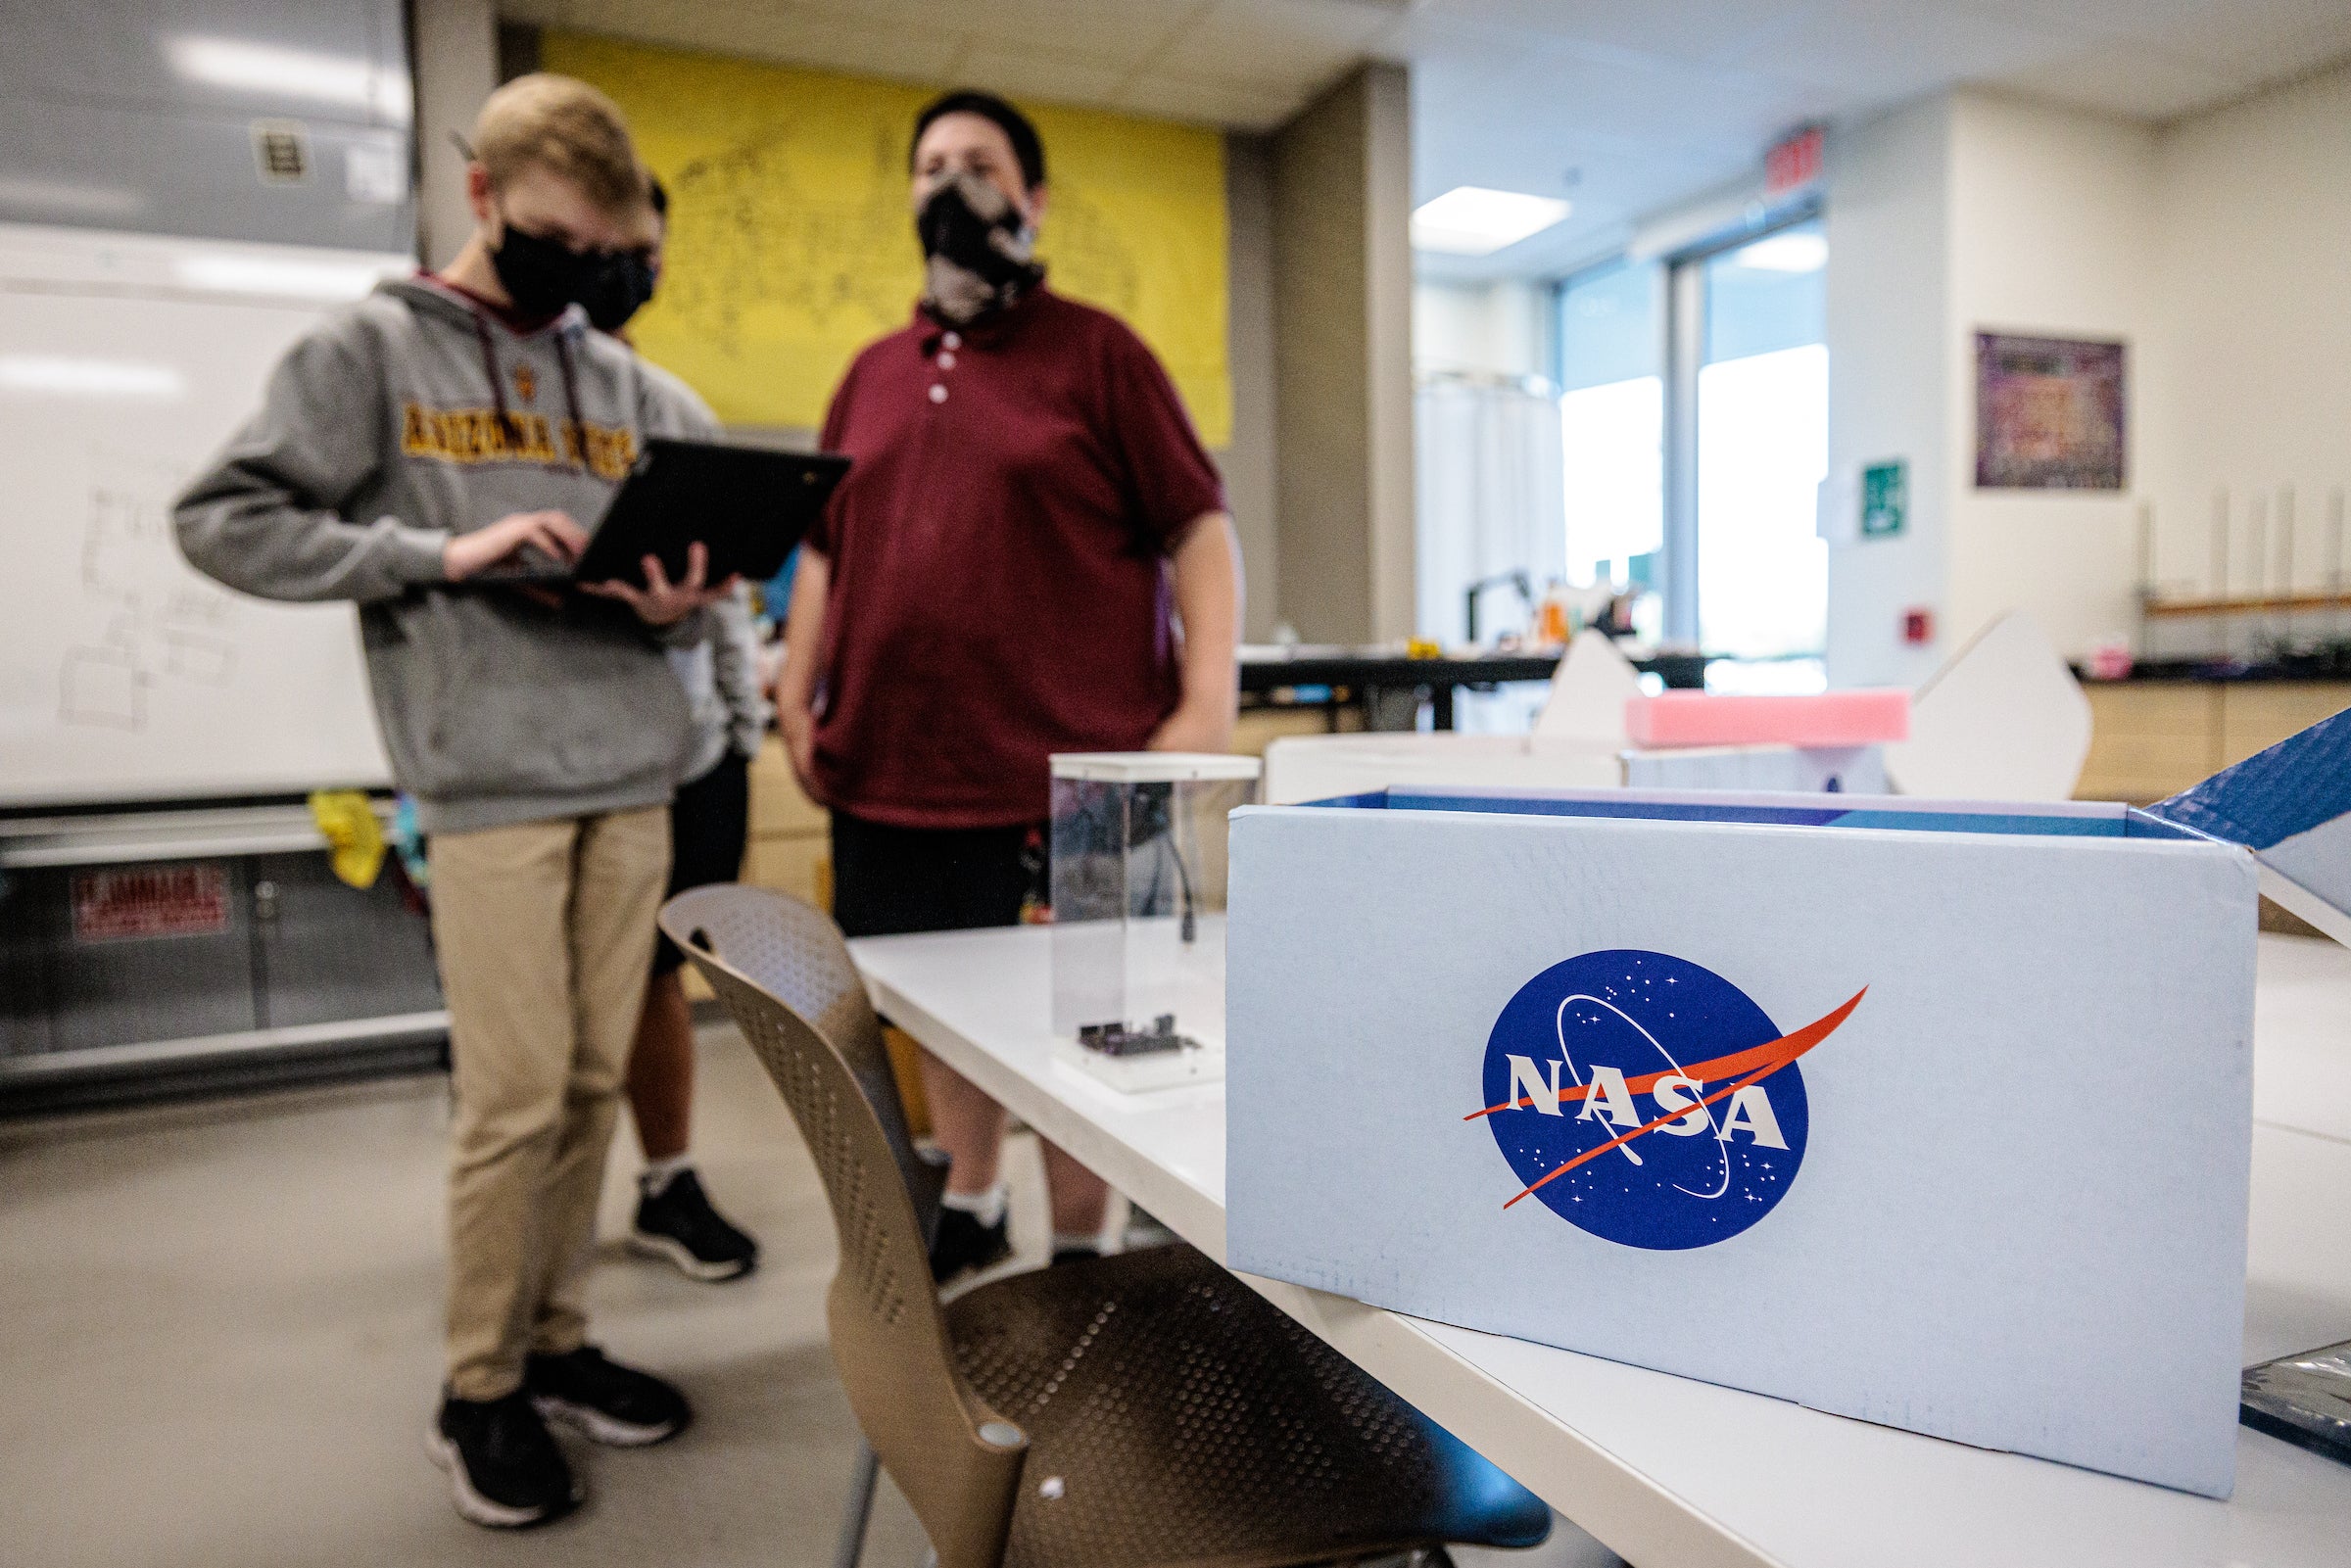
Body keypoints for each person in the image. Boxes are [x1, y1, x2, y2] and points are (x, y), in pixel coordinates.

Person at [175, 74, 736, 1530]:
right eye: (556, 238)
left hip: (635, 770)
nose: (583, 274)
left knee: (598, 1084)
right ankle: (476, 1384)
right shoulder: (370, 348)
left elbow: (701, 584)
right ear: (481, 197)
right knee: (511, 1099)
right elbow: (226, 518)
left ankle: (558, 1344)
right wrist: (440, 554)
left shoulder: (633, 387)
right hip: (485, 781)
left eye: (606, 250)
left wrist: (682, 604)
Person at [774, 90, 1242, 1283]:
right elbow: (825, 544)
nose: (950, 185)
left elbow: (1199, 528)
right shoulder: (870, 372)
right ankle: (972, 1198)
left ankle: (1087, 1247)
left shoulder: (1100, 354)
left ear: (1031, 199)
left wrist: (1202, 703)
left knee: (1090, 1030)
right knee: (938, 1016)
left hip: (1084, 783)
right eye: (930, 166)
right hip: (891, 768)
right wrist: (794, 683)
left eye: (978, 164)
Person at [597, 177, 765, 1284]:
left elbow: (730, 586)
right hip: (566, 763)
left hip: (697, 742)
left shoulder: (665, 404)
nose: (624, 265)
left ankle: (667, 1178)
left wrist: (746, 721)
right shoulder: (494, 414)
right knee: (586, 986)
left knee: (665, 965)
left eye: (641, 247)